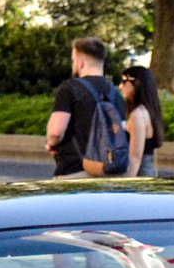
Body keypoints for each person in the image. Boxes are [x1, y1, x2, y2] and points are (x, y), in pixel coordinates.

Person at [45, 37, 120, 178]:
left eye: (73, 60)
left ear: (81, 63)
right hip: (109, 173)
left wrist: (51, 143)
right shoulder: (114, 93)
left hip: (75, 171)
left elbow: (56, 132)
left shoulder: (69, 88)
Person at [118, 63, 165, 178]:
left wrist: (126, 184)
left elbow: (135, 156)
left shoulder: (138, 115)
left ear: (137, 83)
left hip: (139, 176)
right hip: (146, 174)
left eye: (125, 81)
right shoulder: (147, 111)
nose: (120, 86)